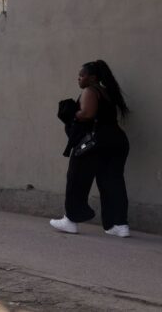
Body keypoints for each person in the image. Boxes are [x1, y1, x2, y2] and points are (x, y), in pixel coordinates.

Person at [51, 60, 131, 237]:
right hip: (117, 141)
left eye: (82, 75)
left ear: (92, 78)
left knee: (76, 179)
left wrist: (72, 113)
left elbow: (87, 114)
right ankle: (118, 224)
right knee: (112, 181)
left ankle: (70, 220)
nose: (78, 78)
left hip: (95, 143)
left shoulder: (90, 91)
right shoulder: (107, 92)